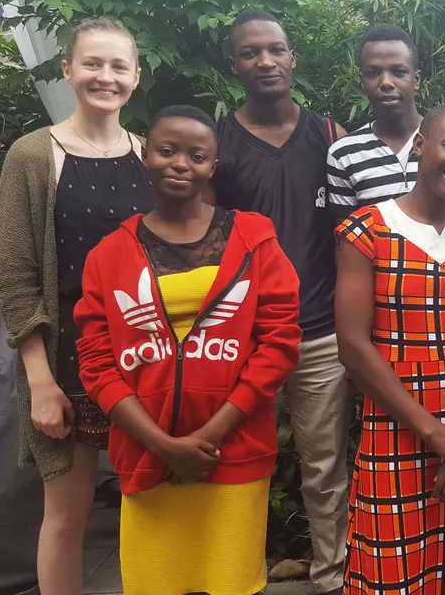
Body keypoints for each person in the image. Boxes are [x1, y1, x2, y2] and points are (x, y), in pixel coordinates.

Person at [73, 105, 302, 595]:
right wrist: (163, 446)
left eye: (197, 156)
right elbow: (96, 362)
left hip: (233, 451)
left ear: (212, 167)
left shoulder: (254, 239)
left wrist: (209, 437)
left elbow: (279, 343)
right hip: (146, 455)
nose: (180, 163)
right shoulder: (108, 255)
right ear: (145, 156)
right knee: (156, 581)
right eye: (167, 150)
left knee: (231, 582)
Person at [0, 17, 154, 595]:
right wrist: (40, 382)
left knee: (153, 504)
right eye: (92, 63)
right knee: (67, 513)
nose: (105, 76)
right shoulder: (33, 155)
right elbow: (15, 278)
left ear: (136, 76)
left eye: (118, 66)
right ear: (67, 70)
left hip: (146, 355)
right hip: (67, 357)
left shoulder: (150, 154)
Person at [334, 104, 445, 594]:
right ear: (419, 145)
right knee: (393, 565)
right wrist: (435, 434)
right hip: (398, 425)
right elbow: (353, 345)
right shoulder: (369, 229)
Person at [211, 9, 350, 595]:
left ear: (293, 58)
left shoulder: (332, 136)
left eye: (275, 49)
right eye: (250, 52)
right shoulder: (216, 144)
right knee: (239, 462)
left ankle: (333, 576)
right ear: (234, 66)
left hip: (321, 331)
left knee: (325, 467)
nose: (264, 61)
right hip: (243, 336)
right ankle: (234, 574)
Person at [326, 24, 423, 221]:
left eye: (398, 72)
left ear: (416, 79)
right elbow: (345, 235)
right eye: (373, 73)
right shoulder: (345, 154)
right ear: (362, 82)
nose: (386, 82)